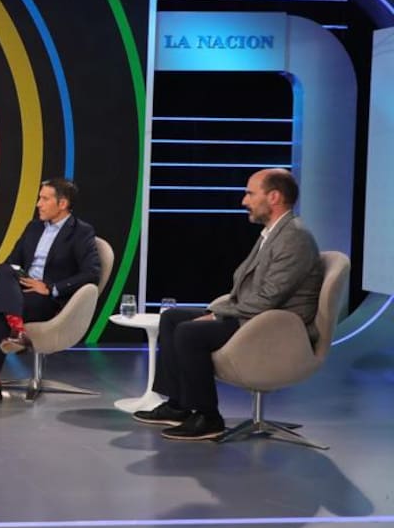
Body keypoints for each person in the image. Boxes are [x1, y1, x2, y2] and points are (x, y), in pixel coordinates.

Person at [133, 168, 323, 440]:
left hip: (275, 327)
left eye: (249, 194)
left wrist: (216, 315)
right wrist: (217, 313)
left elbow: (269, 299)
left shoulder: (294, 237)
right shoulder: (273, 233)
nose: (243, 201)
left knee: (189, 332)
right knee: (173, 318)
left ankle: (208, 416)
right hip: (255, 317)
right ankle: (179, 405)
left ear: (274, 197)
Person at [0, 178, 101, 405]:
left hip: (47, 299)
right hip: (20, 289)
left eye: (44, 199)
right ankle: (17, 331)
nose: (38, 204)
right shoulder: (33, 227)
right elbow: (13, 262)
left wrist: (51, 288)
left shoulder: (81, 232)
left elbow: (92, 273)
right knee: (2, 268)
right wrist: (21, 279)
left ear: (62, 204)